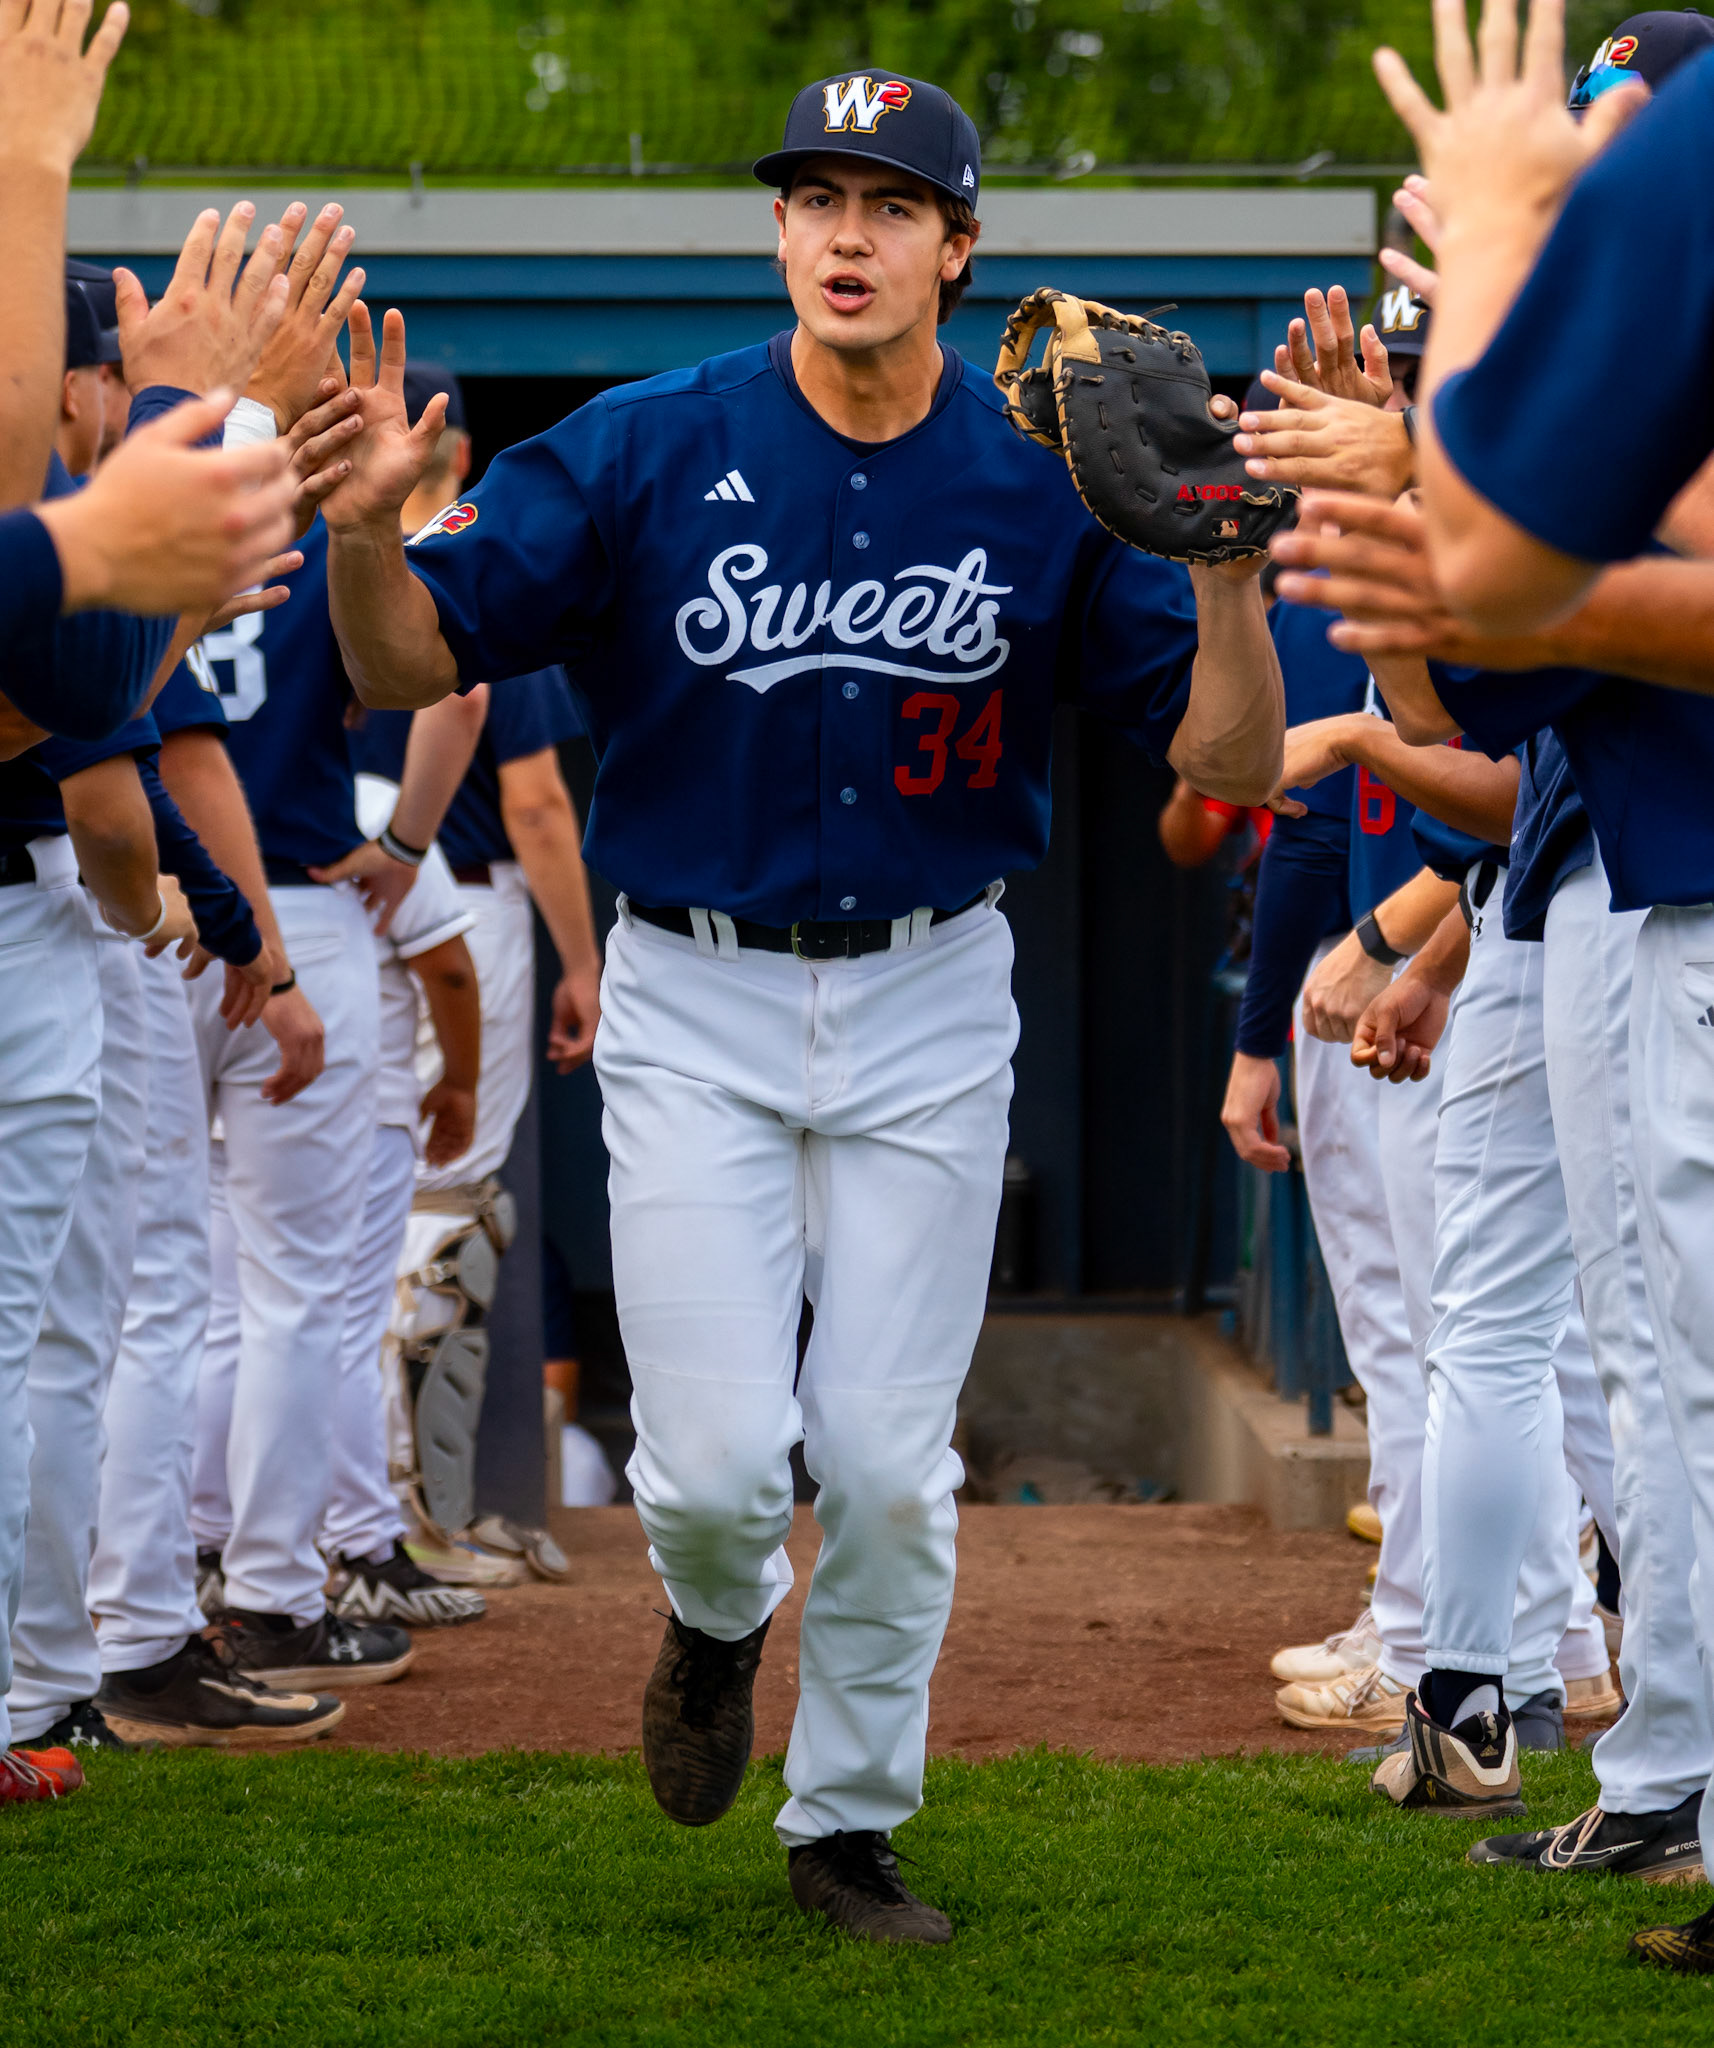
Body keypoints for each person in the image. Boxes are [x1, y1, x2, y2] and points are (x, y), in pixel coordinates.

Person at [319, 73, 1283, 1942]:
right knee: (710, 1476)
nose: (847, 234)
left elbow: (1226, 762)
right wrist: (366, 534)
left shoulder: (1039, 478)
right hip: (694, 990)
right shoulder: (642, 445)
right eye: (815, 198)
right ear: (776, 229)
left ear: (956, 248)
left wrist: (1232, 584)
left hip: (931, 988)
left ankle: (843, 1822)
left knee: (889, 1471)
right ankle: (710, 1616)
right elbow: (405, 658)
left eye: (890, 204)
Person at [345, 365, 600, 1585]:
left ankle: (342, 1515)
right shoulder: (471, 569)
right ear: (455, 448)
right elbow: (538, 805)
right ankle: (409, 1515)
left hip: (327, 910)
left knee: (337, 1211)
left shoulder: (311, 568)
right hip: (456, 902)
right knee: (445, 1206)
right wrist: (583, 959)